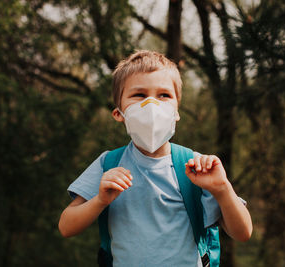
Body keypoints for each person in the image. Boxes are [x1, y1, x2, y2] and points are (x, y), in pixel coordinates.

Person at [58, 50, 252, 266]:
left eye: (164, 95)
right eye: (139, 95)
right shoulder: (108, 164)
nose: (151, 105)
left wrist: (222, 188)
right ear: (118, 114)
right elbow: (66, 226)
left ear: (176, 112)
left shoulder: (197, 167)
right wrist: (100, 200)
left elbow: (243, 233)